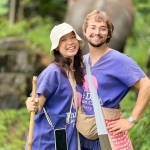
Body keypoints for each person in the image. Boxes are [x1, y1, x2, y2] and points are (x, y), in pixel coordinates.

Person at [80, 10, 150, 150]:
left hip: (107, 134)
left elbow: (146, 85)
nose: (97, 32)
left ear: (109, 34)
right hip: (82, 133)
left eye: (103, 28)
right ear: (85, 31)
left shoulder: (119, 60)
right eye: (93, 27)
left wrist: (132, 120)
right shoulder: (82, 61)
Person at [25, 22, 84, 150]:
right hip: (47, 141)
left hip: (68, 140)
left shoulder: (79, 71)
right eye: (63, 39)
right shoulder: (53, 72)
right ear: (57, 47)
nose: (70, 42)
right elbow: (37, 104)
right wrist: (32, 104)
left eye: (73, 37)